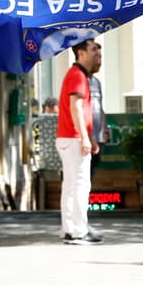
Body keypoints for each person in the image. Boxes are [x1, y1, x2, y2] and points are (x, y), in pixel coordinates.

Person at [56, 39, 103, 244]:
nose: (97, 53)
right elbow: (75, 107)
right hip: (73, 138)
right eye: (93, 49)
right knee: (80, 185)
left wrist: (89, 136)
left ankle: (70, 228)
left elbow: (81, 110)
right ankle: (78, 231)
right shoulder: (77, 75)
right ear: (80, 53)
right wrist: (84, 137)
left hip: (70, 137)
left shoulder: (78, 75)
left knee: (71, 185)